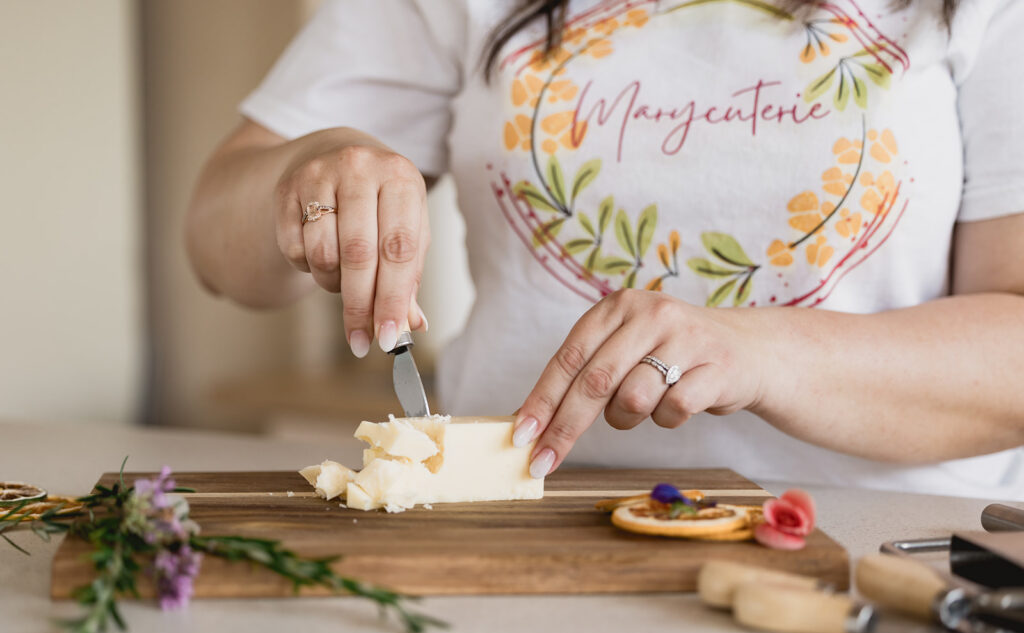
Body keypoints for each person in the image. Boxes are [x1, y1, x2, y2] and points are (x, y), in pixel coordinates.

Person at [185, 0, 1024, 499]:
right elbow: (216, 245)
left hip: (875, 558)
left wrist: (759, 349)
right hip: (515, 534)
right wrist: (303, 173)